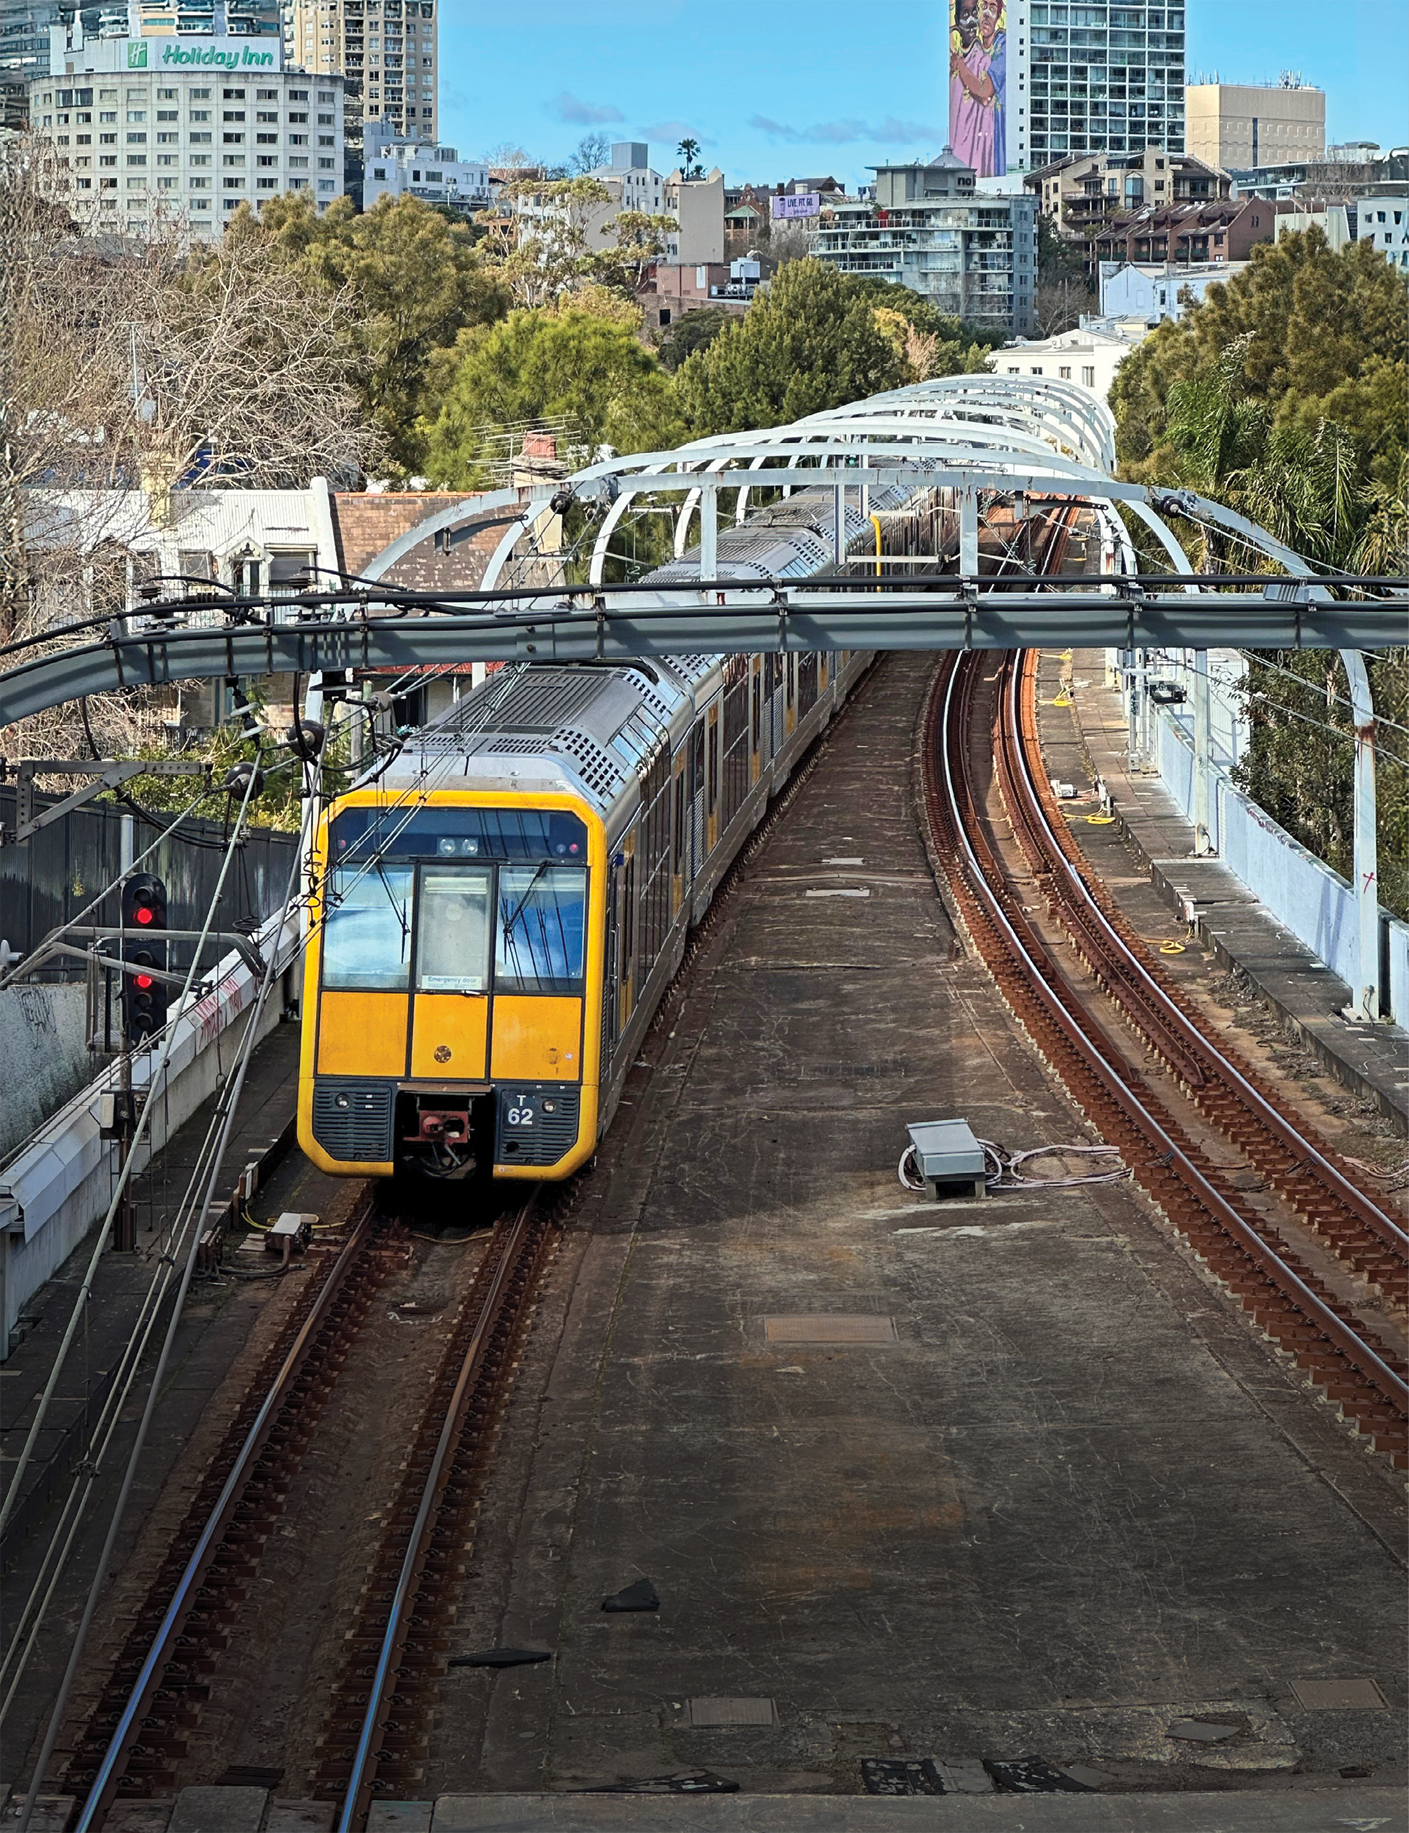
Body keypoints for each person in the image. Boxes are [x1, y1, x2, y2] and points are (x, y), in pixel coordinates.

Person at [949, 0, 1005, 178]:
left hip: (995, 141)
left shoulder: (1002, 46)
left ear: (998, 16)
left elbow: (984, 91)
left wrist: (960, 65)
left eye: (992, 8)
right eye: (984, 7)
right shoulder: (973, 50)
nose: (986, 13)